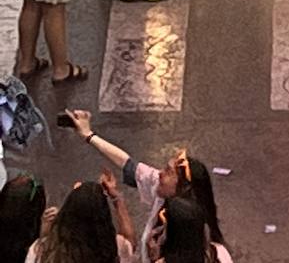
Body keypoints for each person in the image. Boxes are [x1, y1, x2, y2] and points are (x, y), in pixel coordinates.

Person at [65, 112, 229, 263]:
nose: (159, 174)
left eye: (168, 172)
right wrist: (89, 135)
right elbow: (129, 165)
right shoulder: (218, 254)